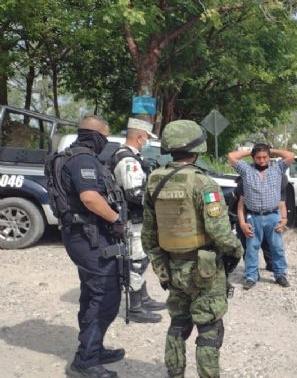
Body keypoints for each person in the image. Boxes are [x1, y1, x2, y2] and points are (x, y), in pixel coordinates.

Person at [141, 120, 244, 378]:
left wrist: (160, 267)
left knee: (177, 324)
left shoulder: (154, 180)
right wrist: (236, 251)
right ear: (197, 148)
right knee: (209, 329)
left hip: (172, 267)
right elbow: (220, 233)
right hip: (204, 269)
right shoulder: (203, 183)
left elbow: (148, 234)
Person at [52, 115, 126, 377]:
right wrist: (116, 219)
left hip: (83, 234)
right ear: (96, 136)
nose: (105, 142)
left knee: (91, 292)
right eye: (105, 137)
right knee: (104, 294)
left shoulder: (70, 155)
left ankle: (94, 347)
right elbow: (90, 197)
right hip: (88, 235)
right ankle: (86, 360)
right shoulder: (83, 159)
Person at [108, 118, 164, 323]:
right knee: (136, 262)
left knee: (141, 259)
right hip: (133, 220)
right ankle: (136, 307)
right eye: (147, 137)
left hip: (137, 220)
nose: (147, 141)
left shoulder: (132, 157)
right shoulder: (128, 160)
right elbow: (134, 194)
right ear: (140, 137)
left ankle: (144, 298)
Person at [227, 143, 294, 289]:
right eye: (258, 157)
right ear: (253, 158)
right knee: (252, 248)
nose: (262, 160)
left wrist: (271, 150)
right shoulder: (246, 170)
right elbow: (231, 156)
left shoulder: (277, 169)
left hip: (273, 216)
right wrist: (252, 150)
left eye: (265, 157)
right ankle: (251, 276)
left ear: (269, 157)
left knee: (277, 247)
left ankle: (280, 274)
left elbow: (290, 156)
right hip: (253, 217)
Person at [234, 173, 289, 274]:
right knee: (249, 247)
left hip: (268, 217)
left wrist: (283, 220)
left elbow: (282, 204)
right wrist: (243, 224)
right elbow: (240, 206)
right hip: (247, 215)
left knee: (272, 245)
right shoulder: (246, 180)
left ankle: (273, 265)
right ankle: (252, 273)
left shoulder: (278, 181)